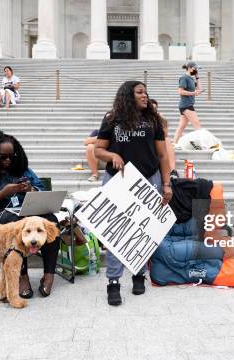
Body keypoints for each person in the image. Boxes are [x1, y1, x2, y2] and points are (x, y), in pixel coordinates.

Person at [94, 81, 173, 306]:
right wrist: (112, 157)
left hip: (148, 178)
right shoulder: (112, 118)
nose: (145, 95)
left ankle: (139, 273)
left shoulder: (153, 120)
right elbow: (98, 149)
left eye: (146, 92)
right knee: (115, 231)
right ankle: (113, 282)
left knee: (142, 229)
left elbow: (163, 156)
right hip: (118, 179)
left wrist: (167, 185)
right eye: (139, 92)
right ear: (128, 95)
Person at [0, 131, 60, 299]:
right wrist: (1, 194)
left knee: (51, 222)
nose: (8, 161)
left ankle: (49, 275)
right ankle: (21, 276)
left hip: (28, 213)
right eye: (3, 157)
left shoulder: (24, 171)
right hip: (0, 217)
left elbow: (42, 189)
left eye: (12, 156)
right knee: (17, 224)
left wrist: (32, 190)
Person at [149, 98, 179, 179]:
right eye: (151, 108)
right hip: (146, 146)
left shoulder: (161, 120)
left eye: (155, 109)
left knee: (167, 140)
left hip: (157, 145)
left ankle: (173, 171)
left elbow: (164, 135)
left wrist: (160, 121)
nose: (153, 111)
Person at [173, 61, 202, 144]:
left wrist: (197, 77)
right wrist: (193, 93)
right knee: (197, 126)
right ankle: (203, 144)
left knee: (181, 127)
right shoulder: (184, 77)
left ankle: (174, 144)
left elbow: (199, 89)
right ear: (189, 68)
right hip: (186, 105)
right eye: (195, 69)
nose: (196, 70)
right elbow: (180, 91)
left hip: (187, 105)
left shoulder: (191, 78)